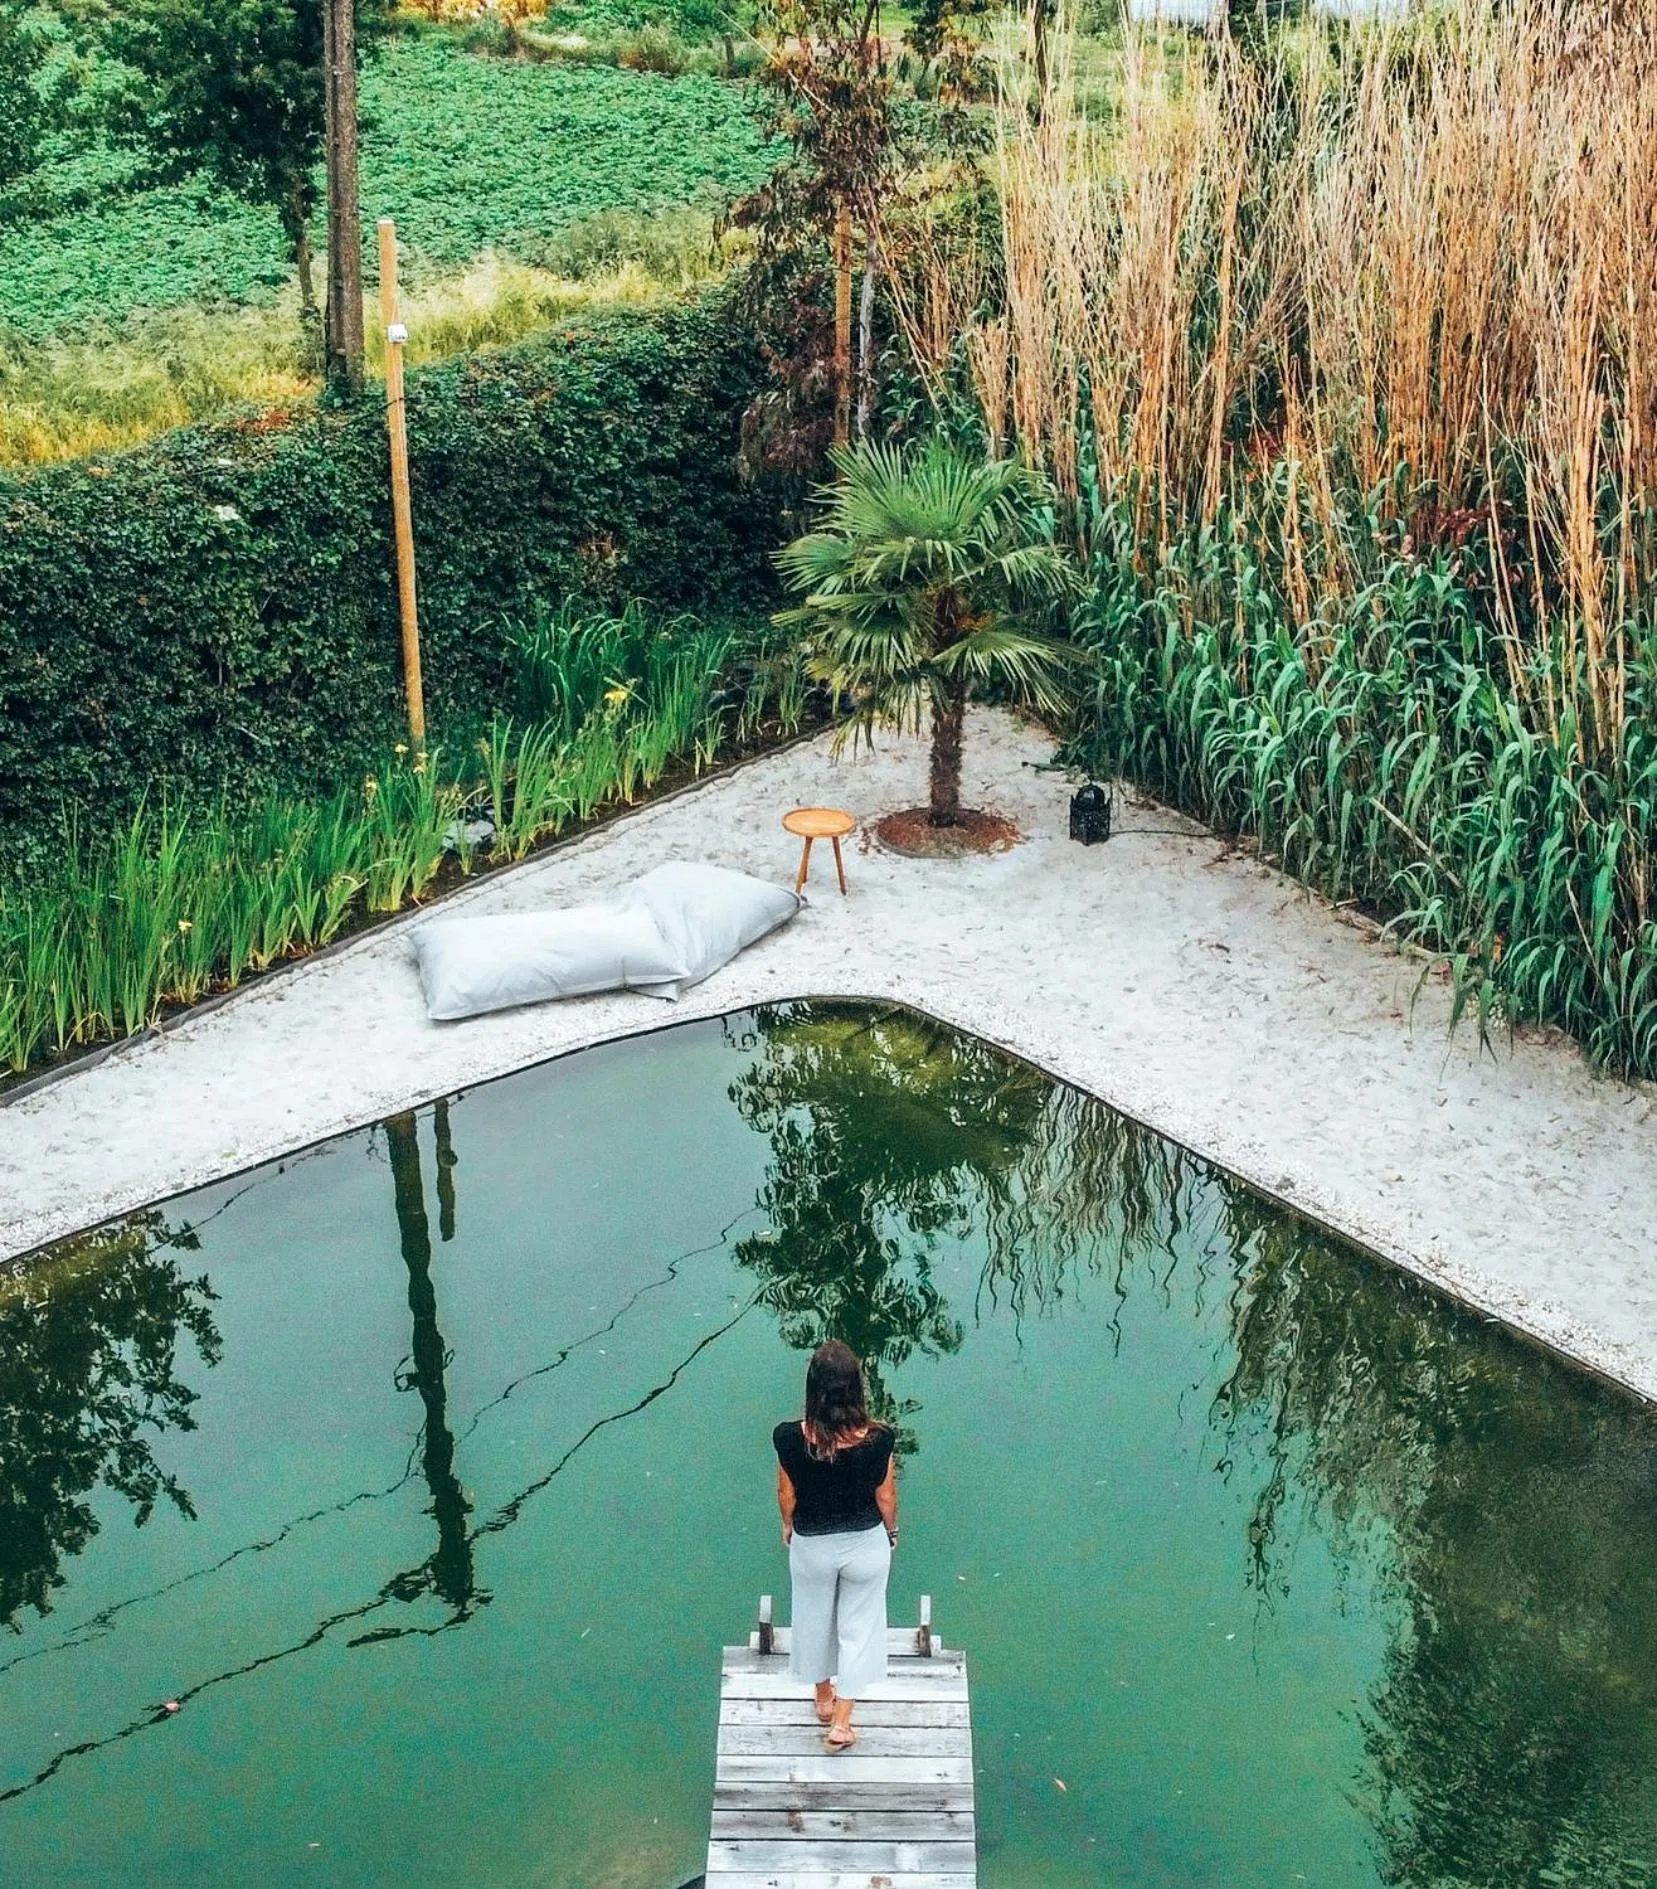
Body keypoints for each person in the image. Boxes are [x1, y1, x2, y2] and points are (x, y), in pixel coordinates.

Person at [773, 1340, 898, 1752]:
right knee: (858, 1628)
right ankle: (842, 1724)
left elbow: (786, 1493)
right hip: (864, 1542)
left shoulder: (790, 1438)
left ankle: (822, 1698)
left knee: (813, 1619)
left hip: (812, 1545)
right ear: (856, 1388)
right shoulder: (879, 1440)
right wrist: (891, 1533)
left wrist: (789, 1527)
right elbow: (886, 1498)